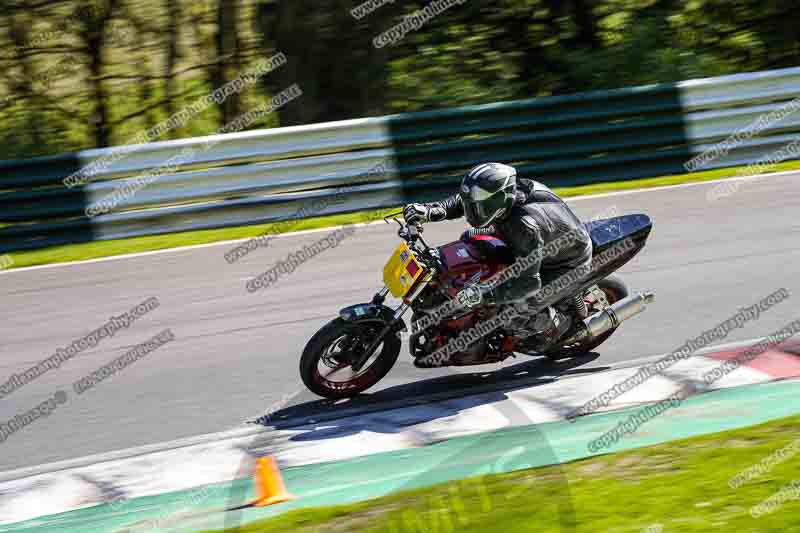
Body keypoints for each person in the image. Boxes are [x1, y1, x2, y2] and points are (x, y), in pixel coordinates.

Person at [403, 162, 593, 348]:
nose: (472, 211)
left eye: (477, 207)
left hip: (566, 264)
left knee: (515, 312)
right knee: (470, 239)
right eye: (473, 206)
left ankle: (557, 326)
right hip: (534, 244)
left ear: (497, 201)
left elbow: (529, 284)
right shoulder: (505, 196)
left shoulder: (525, 227)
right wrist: (433, 210)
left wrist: (484, 295)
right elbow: (466, 199)